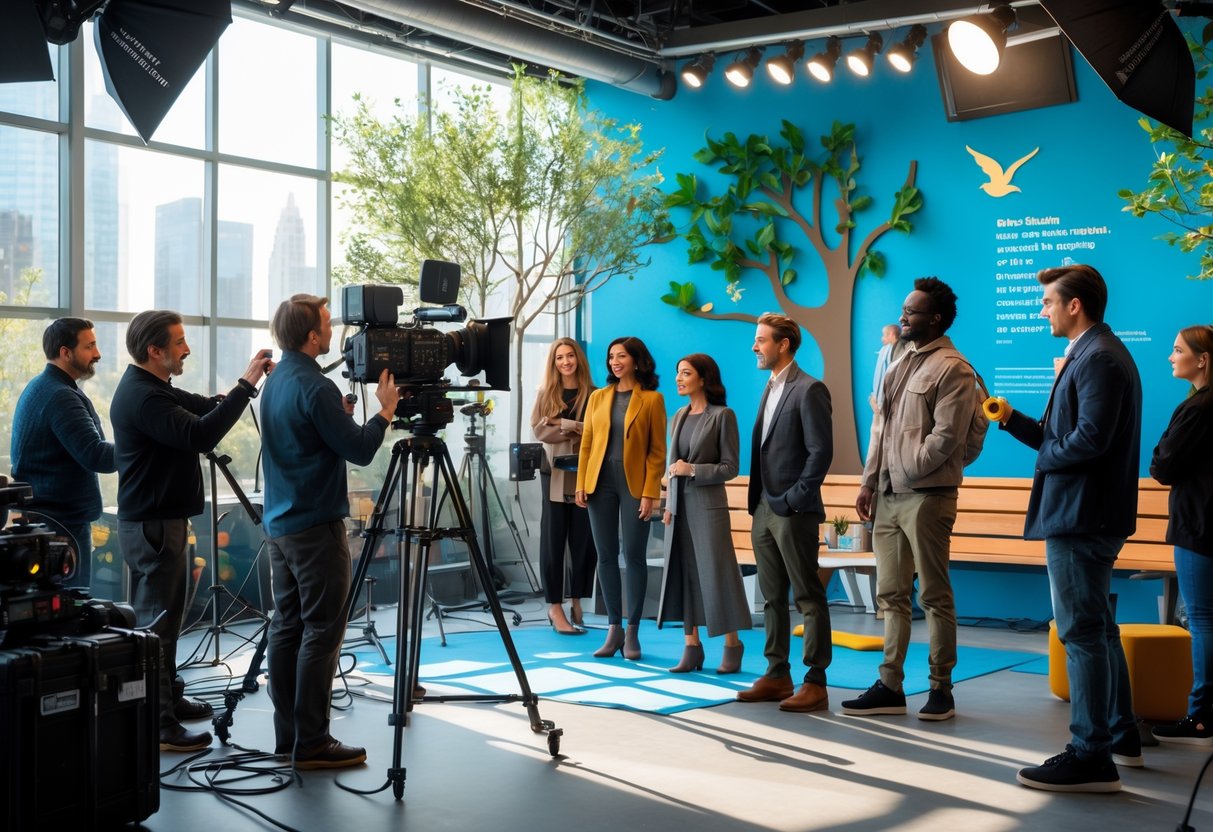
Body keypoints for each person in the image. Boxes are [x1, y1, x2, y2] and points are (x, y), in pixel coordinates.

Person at [997, 264, 1143, 793]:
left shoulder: (1099, 357)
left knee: (1081, 633)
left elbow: (1089, 442)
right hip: (1085, 513)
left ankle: (1091, 755)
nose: (1043, 310)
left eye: (1048, 302)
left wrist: (1045, 459)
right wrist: (1012, 419)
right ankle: (1121, 735)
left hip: (1083, 517)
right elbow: (1065, 436)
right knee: (1098, 630)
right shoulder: (1094, 352)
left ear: (1074, 305)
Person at [111, 310, 272, 753]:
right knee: (157, 628)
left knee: (168, 624)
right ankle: (158, 723)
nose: (186, 349)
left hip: (162, 523)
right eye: (179, 342)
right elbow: (202, 434)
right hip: (153, 527)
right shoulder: (145, 397)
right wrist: (244, 387)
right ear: (154, 351)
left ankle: (169, 701)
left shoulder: (152, 388)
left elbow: (203, 407)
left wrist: (240, 387)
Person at [260, 294, 400, 769]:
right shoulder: (315, 387)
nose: (332, 330)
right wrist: (383, 412)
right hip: (314, 526)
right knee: (322, 631)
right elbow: (360, 450)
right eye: (325, 323)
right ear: (312, 336)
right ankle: (314, 743)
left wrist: (335, 415)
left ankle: (291, 737)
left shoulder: (277, 380)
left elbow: (308, 436)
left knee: (288, 626)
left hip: (281, 522)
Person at [848, 278, 986, 721]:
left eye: (912, 311)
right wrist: (870, 481)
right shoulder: (897, 363)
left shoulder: (954, 368)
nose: (903, 317)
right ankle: (890, 684)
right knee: (890, 593)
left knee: (933, 595)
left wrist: (910, 470)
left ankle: (940, 688)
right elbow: (880, 431)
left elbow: (953, 438)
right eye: (904, 309)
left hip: (928, 497)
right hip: (887, 496)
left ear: (937, 319)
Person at [736, 312, 834, 712]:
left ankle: (815, 681)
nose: (755, 346)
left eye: (761, 340)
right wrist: (763, 501)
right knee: (772, 597)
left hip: (792, 509)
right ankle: (777, 675)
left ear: (784, 344)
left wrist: (795, 498)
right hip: (763, 507)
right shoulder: (771, 386)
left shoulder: (809, 389)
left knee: (808, 595)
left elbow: (820, 451)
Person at [657, 353, 751, 674]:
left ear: (703, 378)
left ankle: (732, 644)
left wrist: (692, 468)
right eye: (677, 373)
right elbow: (672, 467)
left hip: (708, 508)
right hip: (679, 508)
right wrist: (668, 504)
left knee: (717, 574)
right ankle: (691, 647)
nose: (679, 379)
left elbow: (730, 468)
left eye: (685, 373)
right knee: (683, 575)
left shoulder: (724, 416)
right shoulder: (679, 416)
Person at [576, 336, 666, 660]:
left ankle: (632, 632)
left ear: (637, 361)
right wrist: (580, 484)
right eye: (611, 356)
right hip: (599, 483)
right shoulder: (598, 397)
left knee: (635, 555)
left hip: (634, 484)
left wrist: (650, 493)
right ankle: (613, 628)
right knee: (605, 555)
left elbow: (657, 452)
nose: (615, 362)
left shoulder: (653, 400)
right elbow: (586, 443)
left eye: (622, 356)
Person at [11, 318, 116, 585]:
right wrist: (146, 444)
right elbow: (97, 456)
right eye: (89, 346)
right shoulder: (61, 396)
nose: (97, 354)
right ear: (65, 353)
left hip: (51, 520)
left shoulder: (42, 386)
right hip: (61, 525)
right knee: (72, 609)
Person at [1149, 324, 1213, 746]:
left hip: (1199, 526)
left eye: (1177, 350)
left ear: (1202, 359)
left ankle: (1201, 714)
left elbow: (1162, 467)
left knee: (1203, 619)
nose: (1171, 357)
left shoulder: (1197, 409)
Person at [531, 337, 597, 635]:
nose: (566, 362)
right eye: (560, 357)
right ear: (553, 362)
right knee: (554, 541)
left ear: (578, 359)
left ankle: (576, 598)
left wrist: (563, 424)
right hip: (554, 475)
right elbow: (539, 430)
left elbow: (598, 432)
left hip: (586, 473)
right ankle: (555, 607)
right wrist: (575, 428)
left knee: (584, 541)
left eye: (570, 356)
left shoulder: (595, 394)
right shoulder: (547, 393)